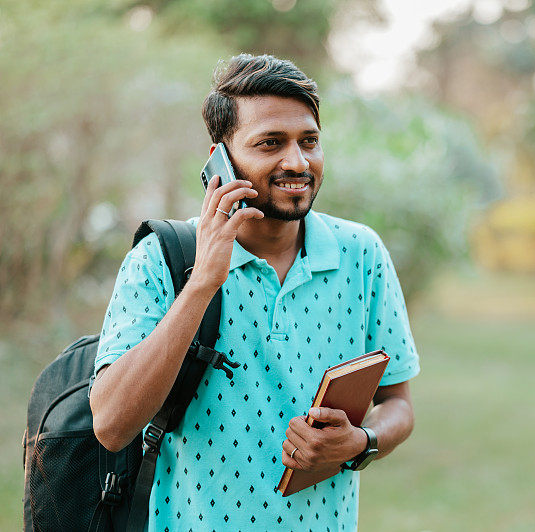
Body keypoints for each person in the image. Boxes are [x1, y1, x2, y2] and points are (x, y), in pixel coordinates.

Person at [89, 53, 420, 530]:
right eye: (270, 143)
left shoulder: (361, 255)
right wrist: (203, 281)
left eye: (309, 141)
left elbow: (399, 405)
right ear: (220, 160)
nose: (297, 161)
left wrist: (360, 441)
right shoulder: (160, 259)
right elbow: (112, 425)